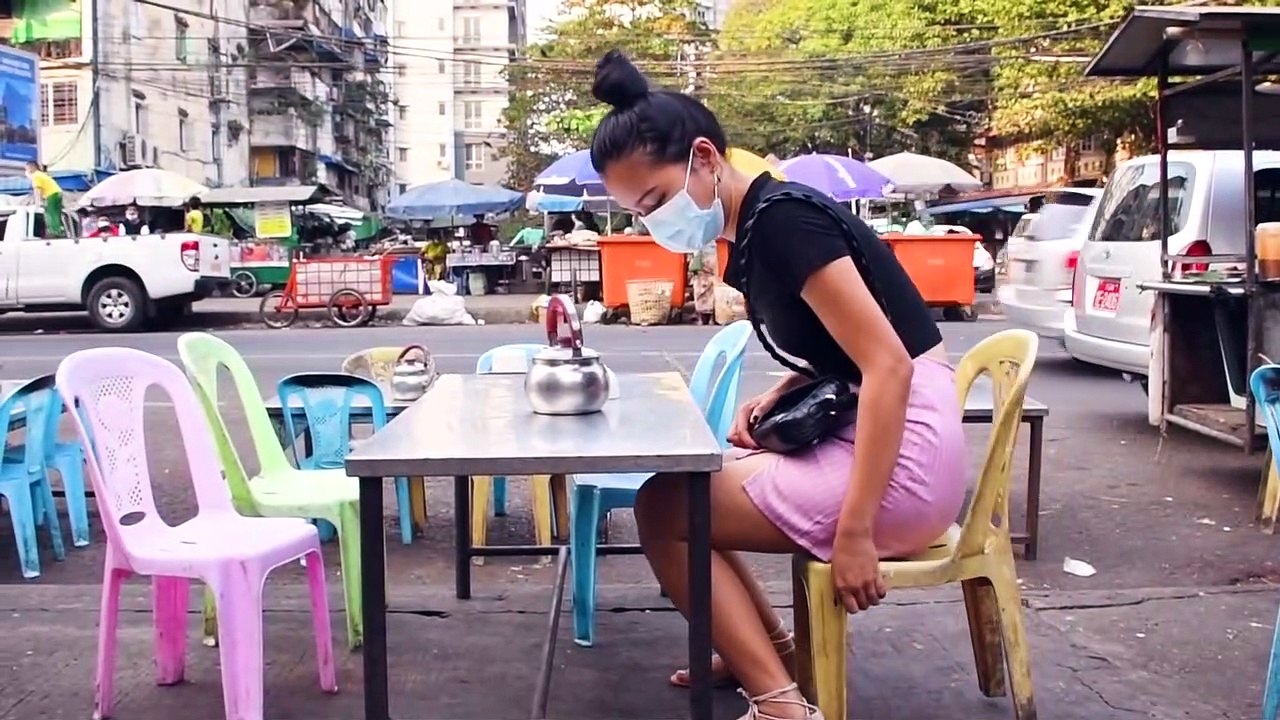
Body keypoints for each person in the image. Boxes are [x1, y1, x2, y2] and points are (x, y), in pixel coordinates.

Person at [587, 51, 968, 720]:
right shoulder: (762, 223)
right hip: (884, 425)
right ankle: (768, 654)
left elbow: (890, 365)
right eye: (638, 213)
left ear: (704, 158)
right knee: (692, 485)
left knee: (664, 510)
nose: (653, 223)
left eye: (655, 202)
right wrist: (785, 390)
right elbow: (851, 344)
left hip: (905, 453)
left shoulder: (785, 222)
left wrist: (855, 534)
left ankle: (780, 705)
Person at [25, 162, 64, 237]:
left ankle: (55, 232)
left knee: (51, 213)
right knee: (56, 213)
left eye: (26, 169)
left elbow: (37, 191)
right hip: (57, 193)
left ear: (31, 169)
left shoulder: (36, 176)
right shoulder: (41, 174)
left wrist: (38, 204)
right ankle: (59, 230)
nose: (26, 172)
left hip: (52, 194)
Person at [689, 239, 718, 325]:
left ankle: (703, 314)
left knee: (702, 282)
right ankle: (714, 313)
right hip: (717, 249)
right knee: (716, 281)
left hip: (702, 251)